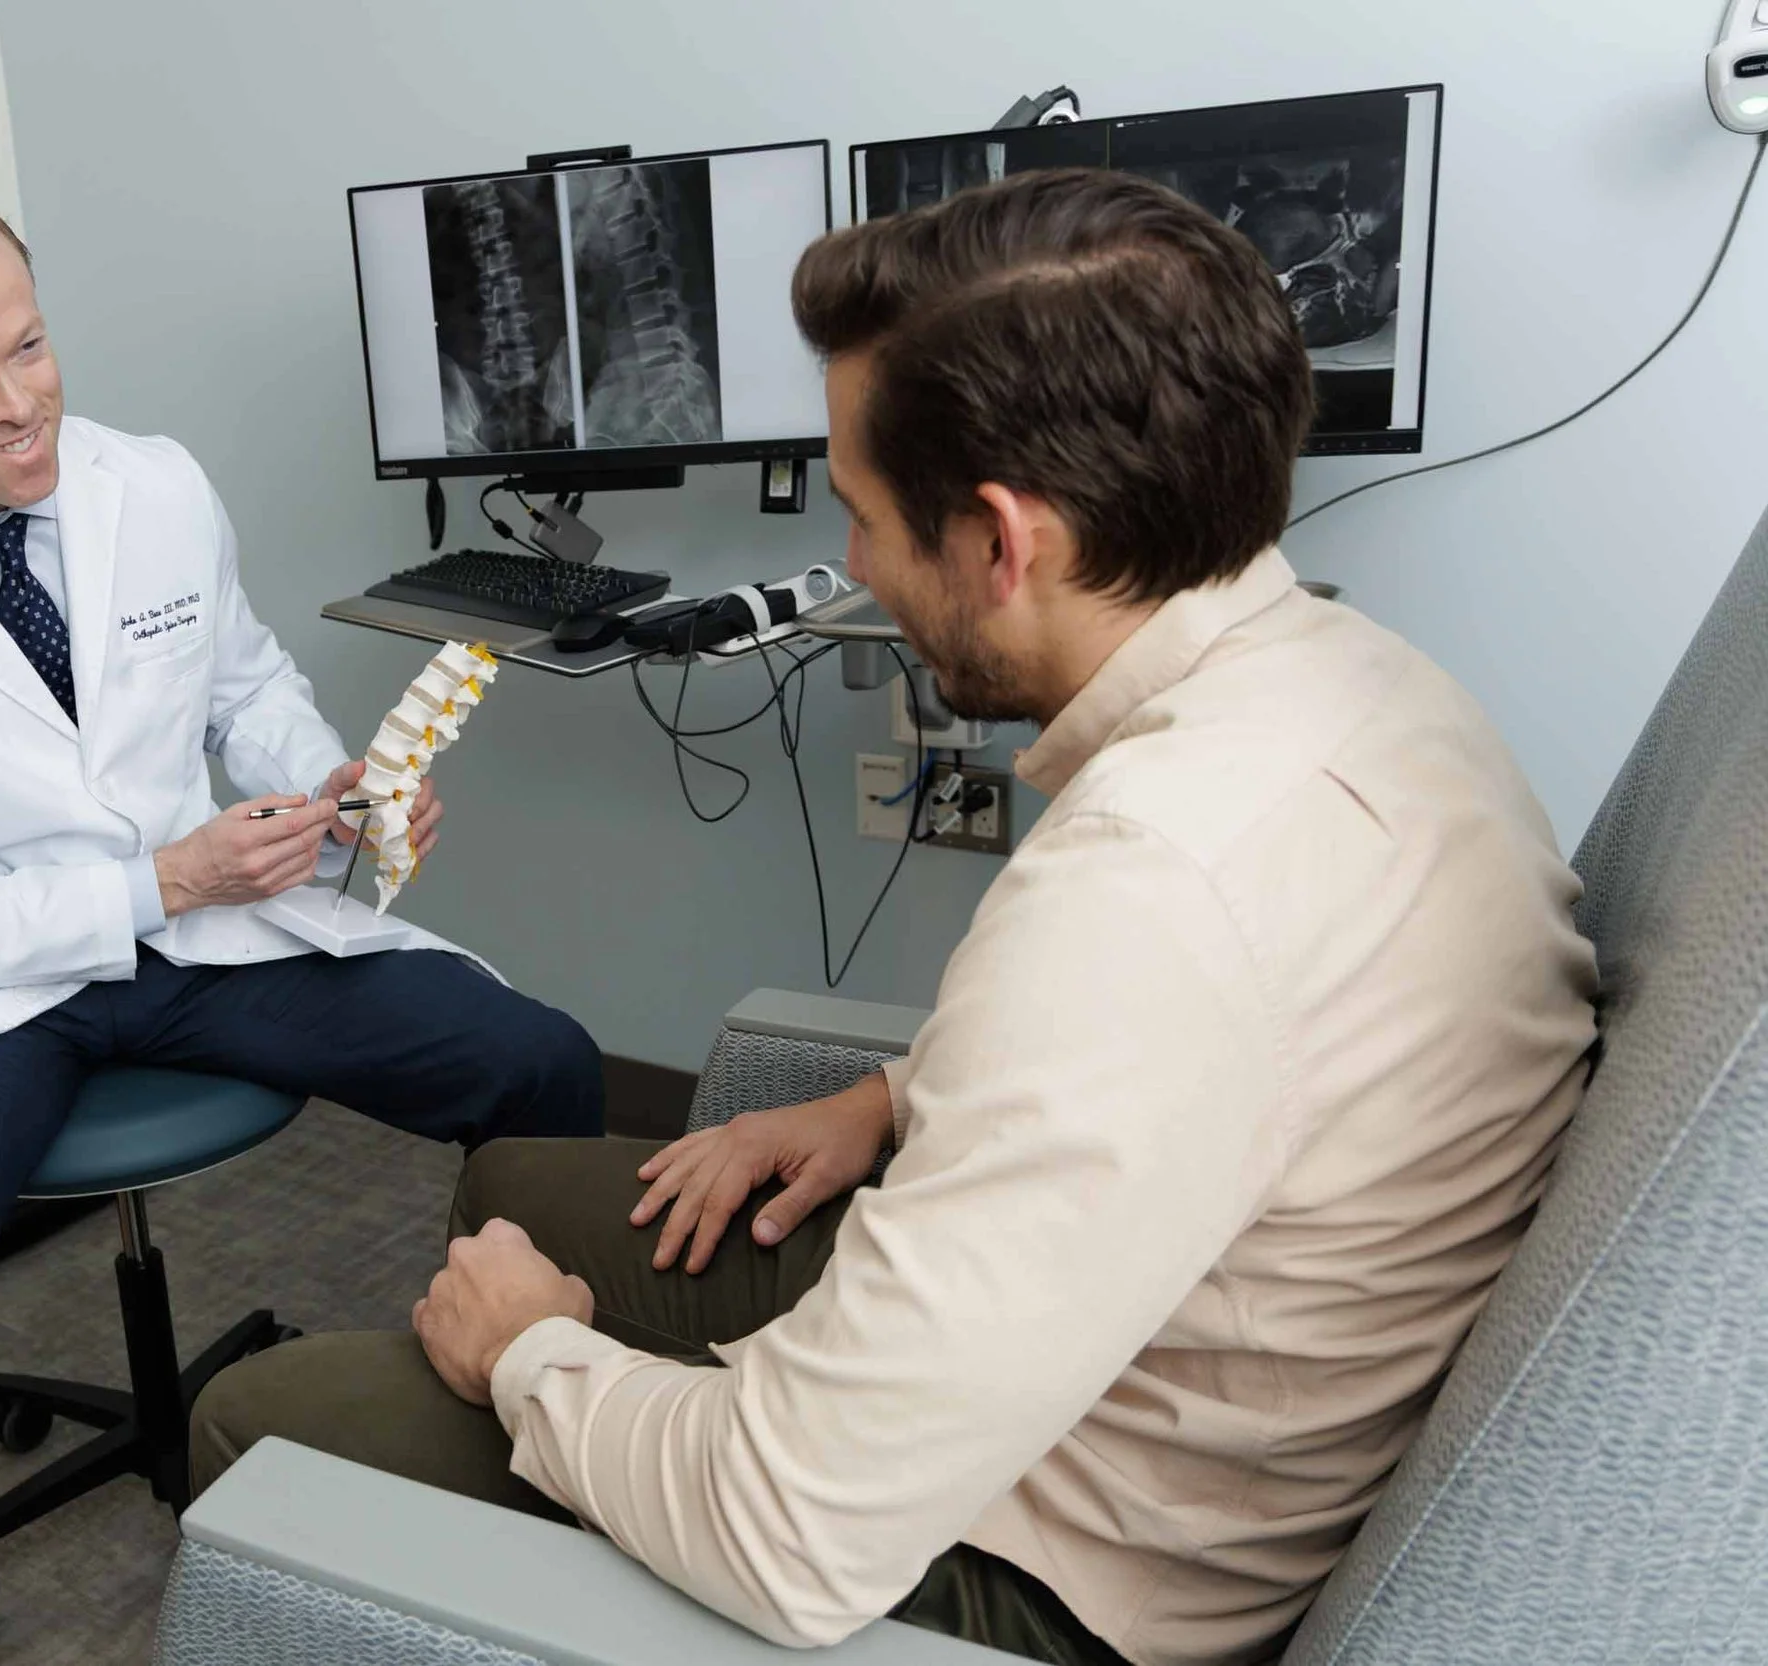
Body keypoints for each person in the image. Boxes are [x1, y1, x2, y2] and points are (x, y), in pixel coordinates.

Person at [190, 168, 1600, 1666]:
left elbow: (790, 1539)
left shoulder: (1148, 892)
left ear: (1003, 541)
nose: (850, 564)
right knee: (524, 1182)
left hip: (1068, 1571)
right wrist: (894, 1095)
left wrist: (535, 1355)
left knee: (260, 1421)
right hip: (1157, 1341)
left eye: (860, 516)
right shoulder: (1368, 686)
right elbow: (1244, 1048)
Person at [0, 172, 604, 1666]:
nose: (19, 406)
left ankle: (535, 1423)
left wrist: (338, 794)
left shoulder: (153, 485)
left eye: (32, 345)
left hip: (201, 943)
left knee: (541, 1065)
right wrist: (165, 879)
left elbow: (241, 688)